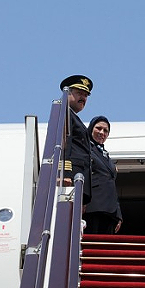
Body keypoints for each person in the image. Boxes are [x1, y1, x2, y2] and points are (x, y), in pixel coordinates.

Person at [84, 115, 123, 234]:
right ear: (91, 129)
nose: (102, 132)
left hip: (110, 211)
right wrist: (82, 201)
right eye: (98, 128)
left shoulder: (106, 156)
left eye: (105, 130)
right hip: (92, 207)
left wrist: (118, 214)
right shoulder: (85, 149)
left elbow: (112, 185)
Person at [60, 75, 93, 207]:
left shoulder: (73, 117)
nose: (83, 98)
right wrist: (65, 173)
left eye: (85, 95)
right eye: (79, 93)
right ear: (68, 93)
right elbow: (64, 143)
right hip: (72, 176)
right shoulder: (64, 113)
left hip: (79, 176)